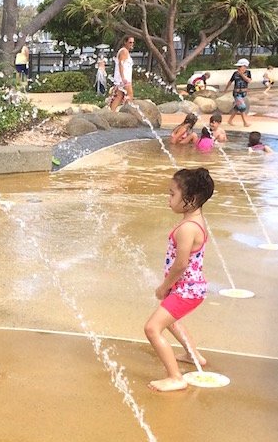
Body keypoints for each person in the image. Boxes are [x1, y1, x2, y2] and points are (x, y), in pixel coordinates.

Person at [145, 167, 215, 392]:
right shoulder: (197, 221)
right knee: (170, 320)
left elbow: (181, 264)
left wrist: (164, 286)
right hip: (190, 288)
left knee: (152, 328)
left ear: (191, 199)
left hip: (185, 289)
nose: (169, 199)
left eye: (172, 194)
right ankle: (193, 355)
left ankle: (175, 377)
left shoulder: (187, 228)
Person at [108, 36, 135, 111]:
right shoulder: (124, 51)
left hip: (122, 78)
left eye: (133, 42)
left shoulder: (124, 51)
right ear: (125, 42)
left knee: (119, 96)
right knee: (130, 95)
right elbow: (121, 64)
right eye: (130, 42)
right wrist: (123, 78)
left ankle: (112, 112)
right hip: (124, 78)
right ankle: (129, 111)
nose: (132, 44)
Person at [224, 58, 252, 127]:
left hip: (244, 93)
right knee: (242, 107)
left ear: (245, 66)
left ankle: (230, 120)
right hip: (236, 93)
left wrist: (242, 75)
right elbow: (230, 81)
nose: (238, 68)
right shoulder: (235, 73)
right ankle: (245, 122)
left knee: (237, 107)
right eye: (238, 67)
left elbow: (249, 81)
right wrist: (226, 89)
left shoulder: (248, 73)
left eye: (240, 66)